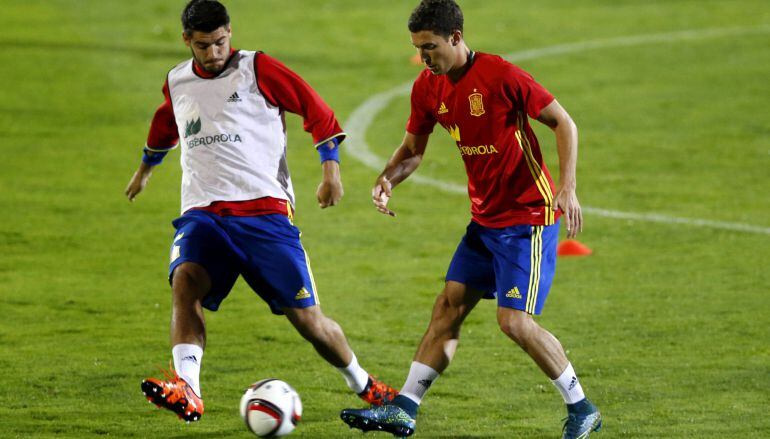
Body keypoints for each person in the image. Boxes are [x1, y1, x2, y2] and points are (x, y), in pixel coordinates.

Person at [125, 0, 397, 423]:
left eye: (219, 42)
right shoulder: (177, 81)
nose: (214, 53)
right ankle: (189, 388)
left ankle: (364, 383)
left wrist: (331, 172)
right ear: (186, 42)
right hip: (204, 212)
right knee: (185, 282)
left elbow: (316, 109)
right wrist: (145, 170)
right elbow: (165, 124)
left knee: (309, 322)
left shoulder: (257, 68)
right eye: (203, 46)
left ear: (230, 32)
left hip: (265, 214)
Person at [340, 1, 601, 438]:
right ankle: (404, 407)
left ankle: (582, 408)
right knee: (448, 307)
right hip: (485, 221)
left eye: (431, 47)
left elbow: (563, 123)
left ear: (456, 39)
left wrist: (568, 186)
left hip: (528, 218)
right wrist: (387, 178)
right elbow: (413, 150)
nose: (424, 58)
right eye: (418, 48)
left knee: (513, 321)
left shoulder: (500, 75)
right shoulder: (428, 87)